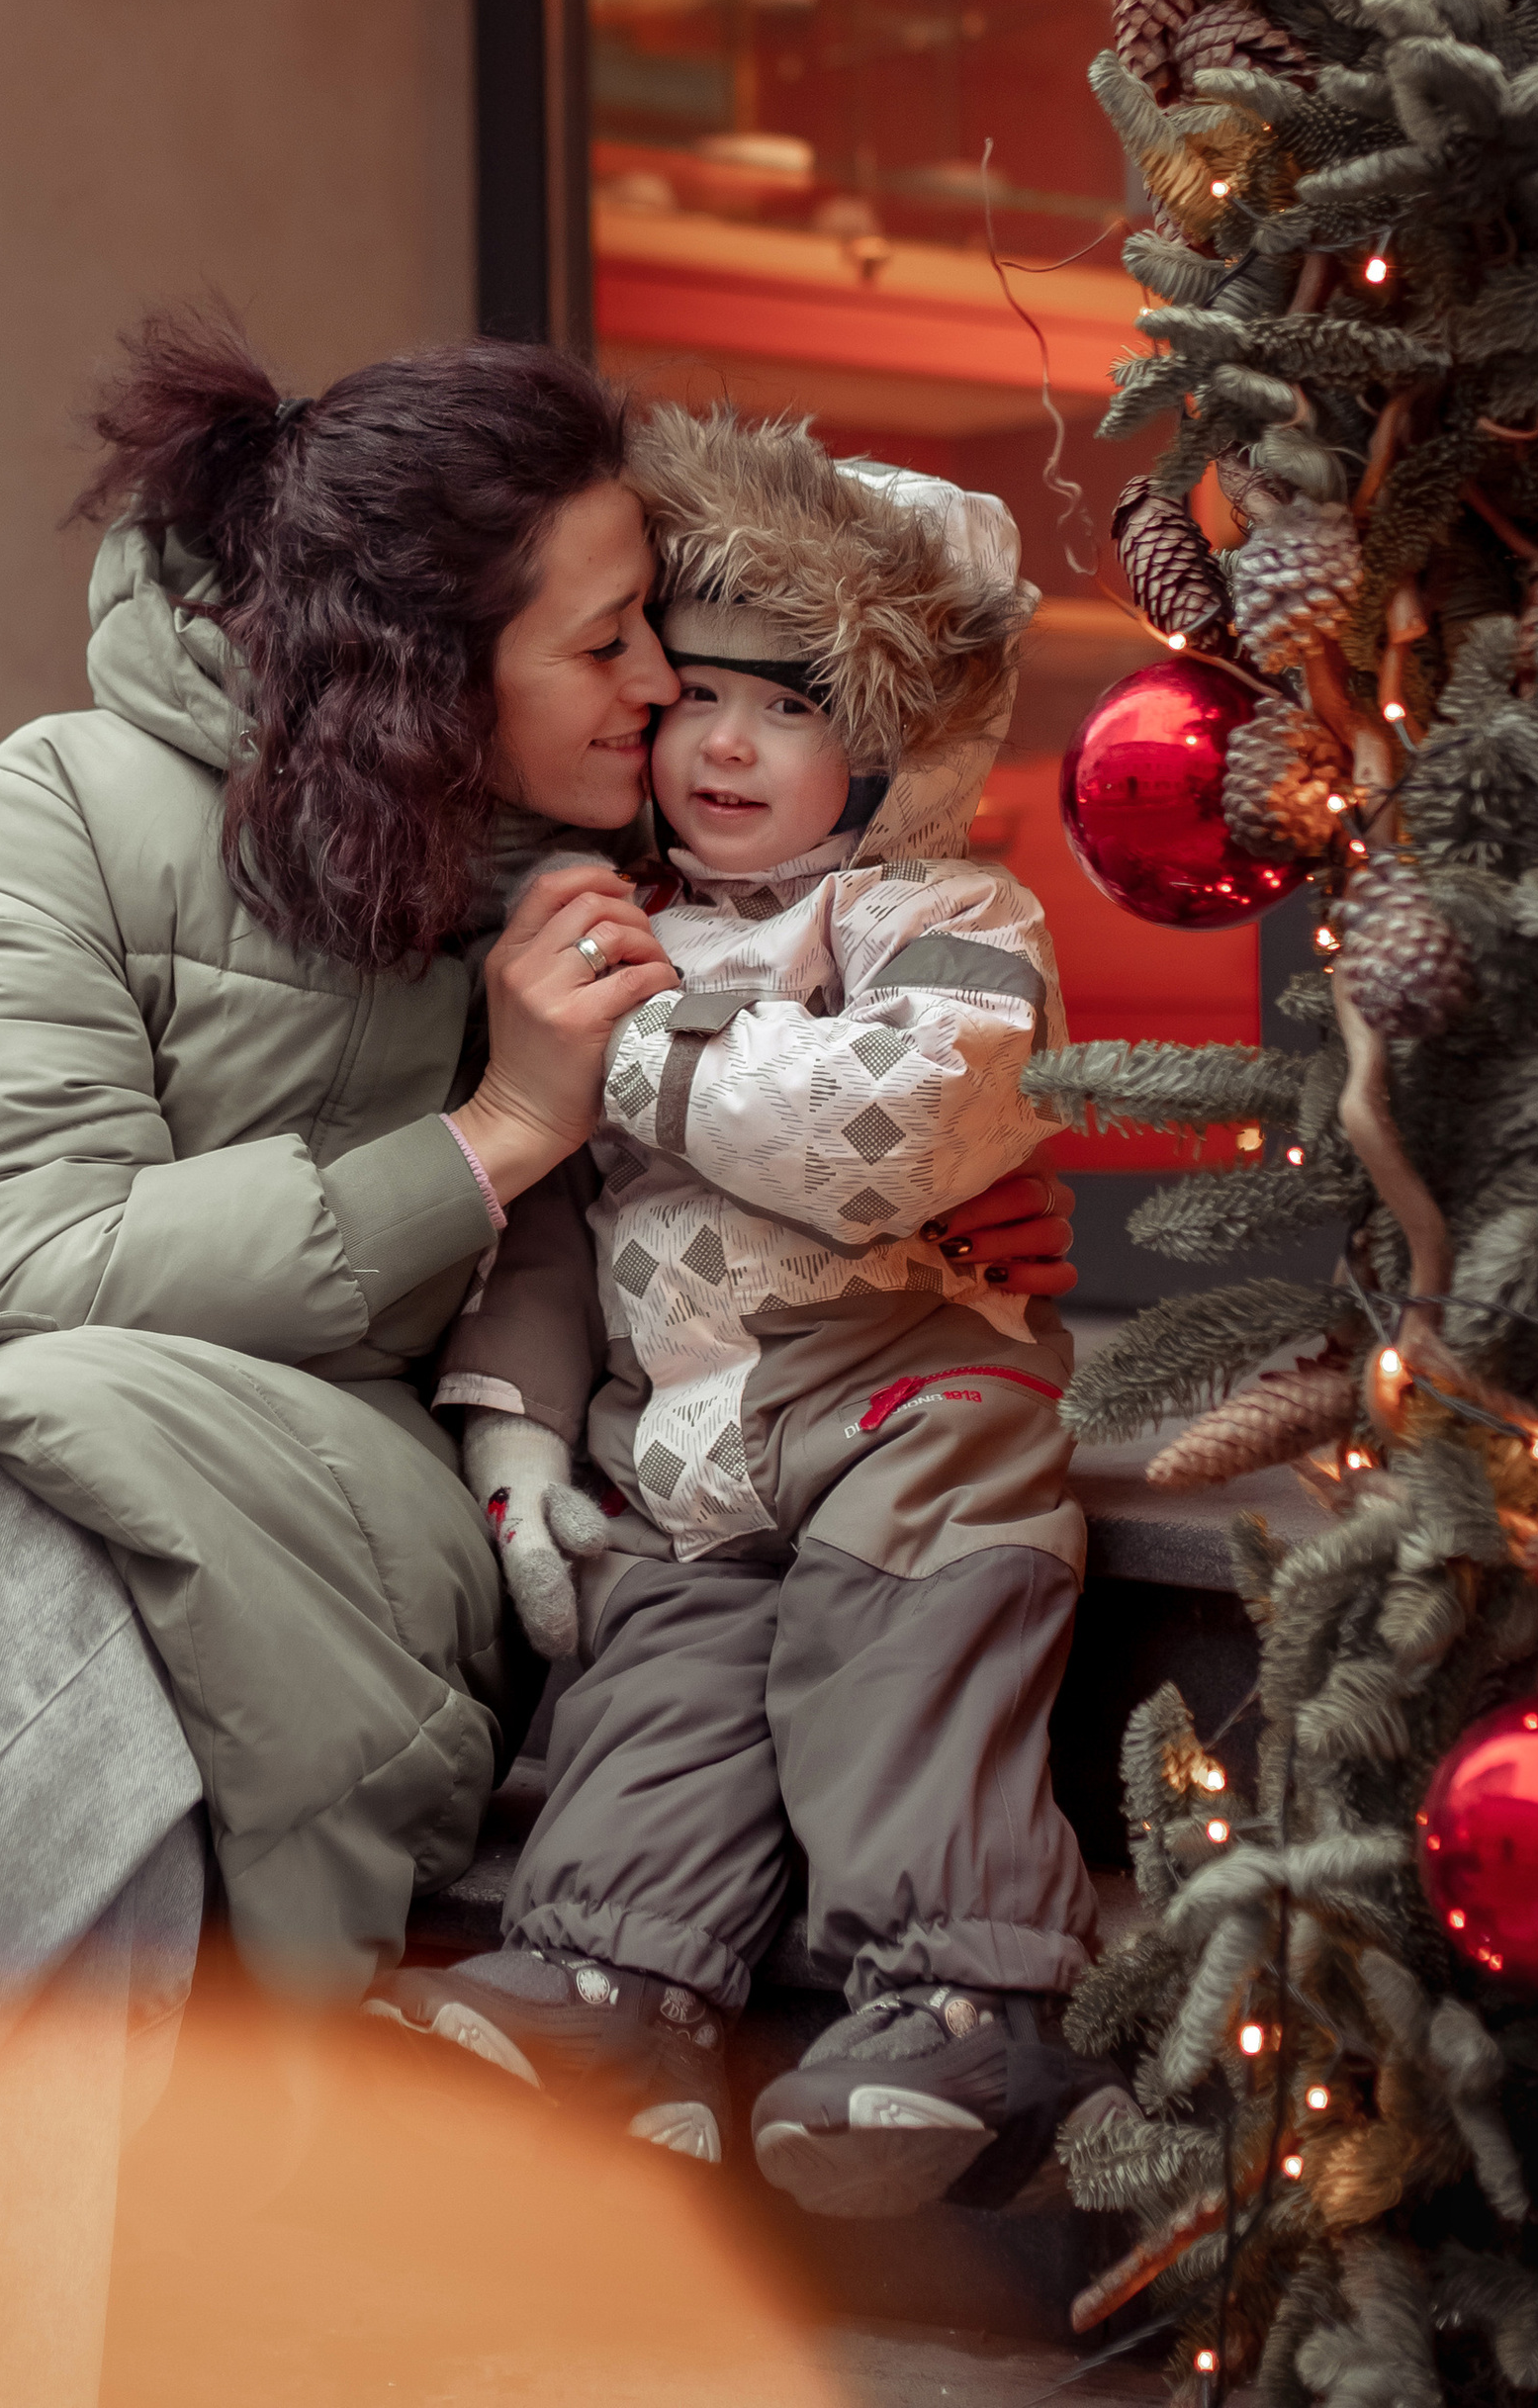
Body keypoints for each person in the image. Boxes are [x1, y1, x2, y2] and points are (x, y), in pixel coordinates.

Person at [0, 324, 1080, 2408]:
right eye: (613, 641)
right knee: (44, 1504)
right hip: (37, 1434)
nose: (661, 696)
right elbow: (5, 1251)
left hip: (377, 1492)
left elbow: (844, 1043)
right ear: (432, 660)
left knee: (31, 1477)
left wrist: (928, 1207)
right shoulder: (64, 808)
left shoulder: (615, 870)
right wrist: (490, 1135)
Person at [381, 410, 1125, 2221]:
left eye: (793, 706)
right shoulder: (606, 912)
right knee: (665, 1673)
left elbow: (895, 1123)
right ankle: (613, 1989)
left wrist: (619, 1042)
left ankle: (966, 1992)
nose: (724, 741)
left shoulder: (941, 911)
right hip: (690, 1436)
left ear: (897, 738)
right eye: (700, 694)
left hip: (902, 1398)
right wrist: (513, 1436)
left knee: (903, 1635)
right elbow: (541, 1227)